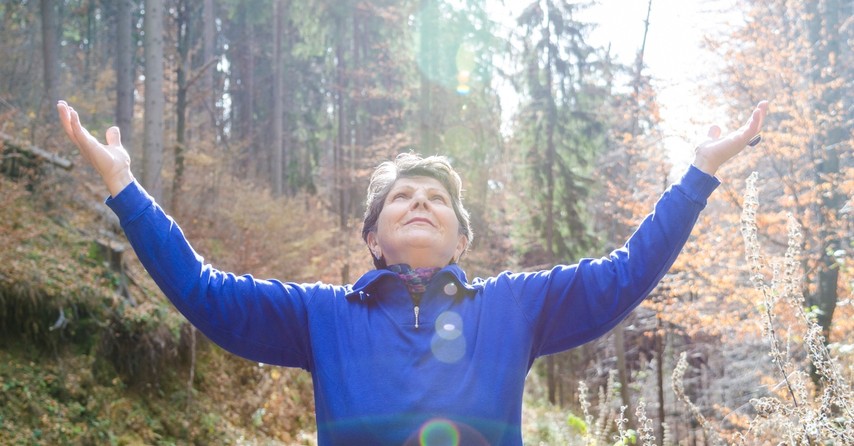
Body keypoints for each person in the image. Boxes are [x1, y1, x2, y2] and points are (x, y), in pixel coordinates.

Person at [57, 99, 768, 445]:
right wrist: (127, 189)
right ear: (373, 235)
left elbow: (625, 273)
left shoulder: (514, 307)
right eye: (403, 196)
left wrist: (699, 173)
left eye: (438, 200)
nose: (421, 203)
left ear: (461, 238)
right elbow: (203, 293)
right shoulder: (321, 316)